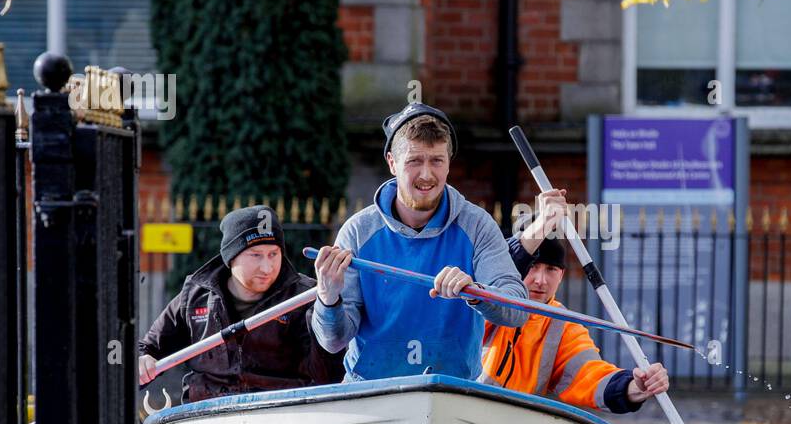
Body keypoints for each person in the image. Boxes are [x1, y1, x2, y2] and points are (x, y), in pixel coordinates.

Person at [312, 103, 528, 380]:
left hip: (452, 388)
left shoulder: (477, 225)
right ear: (392, 163)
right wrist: (328, 299)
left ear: (449, 163)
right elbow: (333, 341)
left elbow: (517, 309)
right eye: (414, 161)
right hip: (370, 389)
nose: (426, 175)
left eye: (436, 160)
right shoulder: (357, 231)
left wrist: (476, 292)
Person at [480, 190, 670, 413]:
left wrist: (634, 387)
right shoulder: (480, 298)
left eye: (551, 269)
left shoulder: (562, 326)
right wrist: (543, 224)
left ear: (561, 276)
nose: (540, 280)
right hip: (463, 400)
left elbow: (589, 374)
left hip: (517, 419)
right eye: (532, 267)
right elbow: (499, 277)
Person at [138, 205, 344, 402]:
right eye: (255, 255)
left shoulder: (305, 297)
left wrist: (330, 305)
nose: (267, 267)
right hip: (205, 417)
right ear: (231, 257)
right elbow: (148, 348)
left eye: (273, 254)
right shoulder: (195, 295)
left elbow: (327, 375)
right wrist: (143, 360)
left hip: (281, 415)